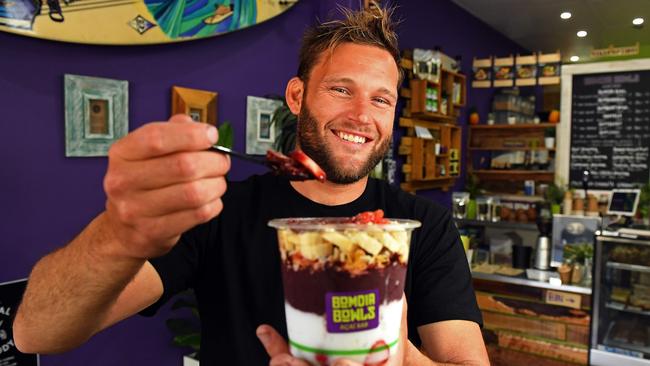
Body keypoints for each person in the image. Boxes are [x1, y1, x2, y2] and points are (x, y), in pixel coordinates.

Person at [13, 4, 489, 366]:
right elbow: (36, 333)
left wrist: (401, 357)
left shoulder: (425, 226)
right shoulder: (220, 213)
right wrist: (118, 234)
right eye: (341, 89)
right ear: (298, 96)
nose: (362, 116)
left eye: (381, 100)